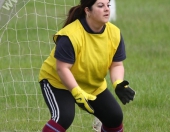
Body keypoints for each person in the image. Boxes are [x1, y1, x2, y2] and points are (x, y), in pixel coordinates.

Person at [39, 0, 135, 132]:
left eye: (108, 5)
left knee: (114, 117)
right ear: (87, 10)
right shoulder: (70, 35)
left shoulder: (115, 33)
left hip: (91, 85)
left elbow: (117, 64)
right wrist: (76, 91)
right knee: (64, 117)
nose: (107, 9)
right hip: (58, 82)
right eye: (101, 6)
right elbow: (62, 68)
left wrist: (118, 82)